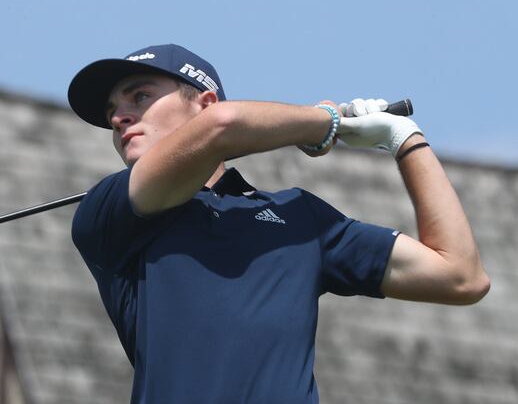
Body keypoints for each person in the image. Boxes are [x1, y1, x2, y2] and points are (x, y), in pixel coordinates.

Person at [67, 44, 489, 403]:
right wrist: (328, 121)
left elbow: (461, 276)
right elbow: (223, 128)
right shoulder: (107, 212)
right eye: (112, 111)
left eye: (139, 96)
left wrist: (405, 140)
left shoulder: (299, 216)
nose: (119, 116)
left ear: (205, 101)